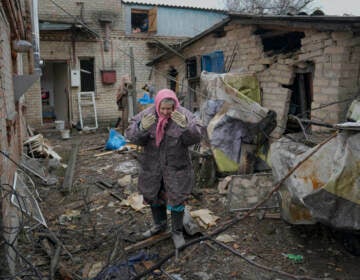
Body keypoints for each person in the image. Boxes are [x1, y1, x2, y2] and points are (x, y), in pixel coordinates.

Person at [125, 89, 203, 249]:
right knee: (154, 196)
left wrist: (186, 127)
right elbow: (132, 138)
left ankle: (177, 231)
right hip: (152, 167)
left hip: (176, 167)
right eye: (163, 109)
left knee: (177, 198)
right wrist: (140, 127)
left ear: (175, 104)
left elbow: (196, 138)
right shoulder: (147, 115)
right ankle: (159, 225)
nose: (167, 112)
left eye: (170, 108)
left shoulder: (184, 115)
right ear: (157, 105)